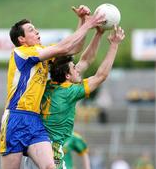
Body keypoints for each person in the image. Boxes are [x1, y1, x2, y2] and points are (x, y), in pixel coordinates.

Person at [0, 5, 106, 169]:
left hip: (34, 120)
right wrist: (88, 25)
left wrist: (82, 20)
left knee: (50, 166)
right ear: (22, 39)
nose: (37, 32)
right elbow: (64, 47)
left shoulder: (42, 54)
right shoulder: (21, 52)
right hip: (15, 117)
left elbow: (73, 49)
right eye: (31, 30)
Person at [24, 24, 125, 169]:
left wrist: (98, 34)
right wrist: (114, 45)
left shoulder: (48, 85)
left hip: (34, 151)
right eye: (74, 68)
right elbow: (101, 75)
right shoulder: (70, 91)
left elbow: (85, 61)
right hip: (51, 154)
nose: (77, 69)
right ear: (67, 75)